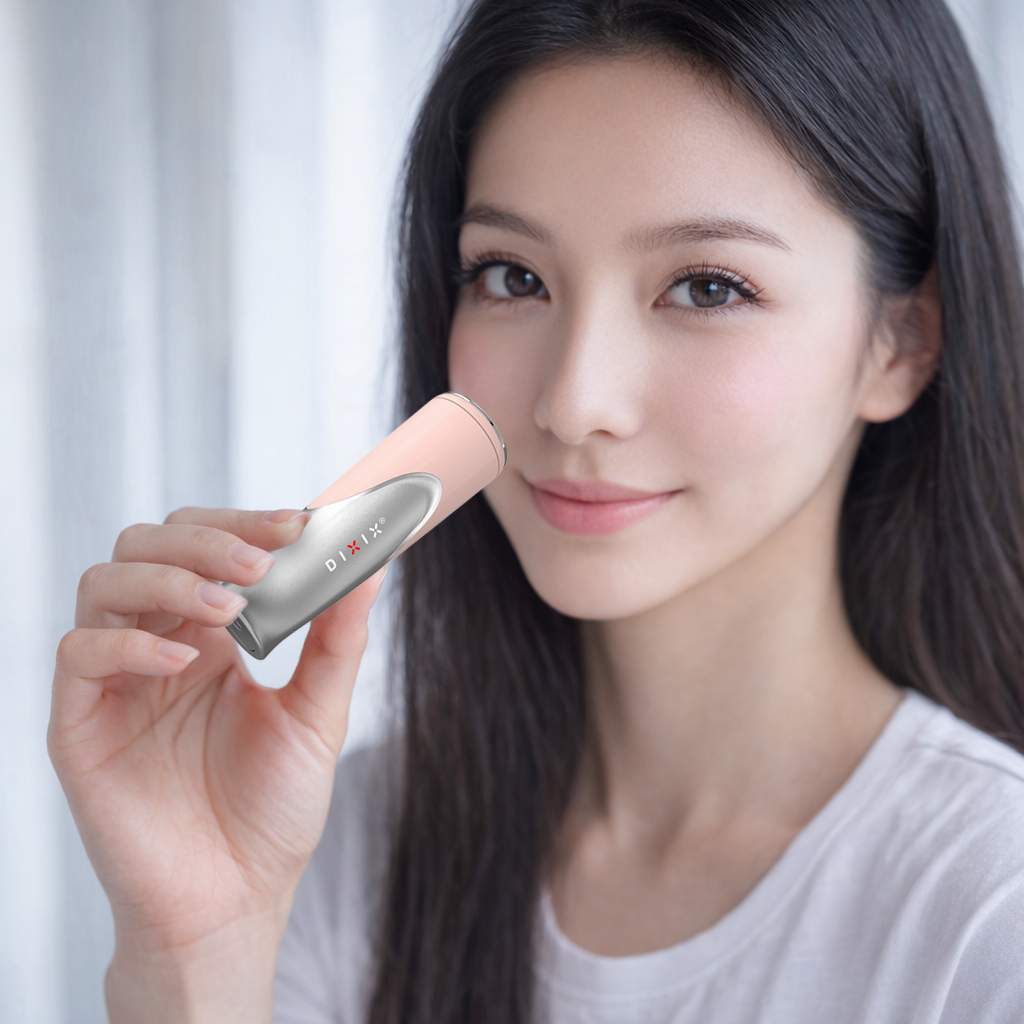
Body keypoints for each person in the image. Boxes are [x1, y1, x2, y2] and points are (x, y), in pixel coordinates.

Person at [49, 1, 1024, 1021]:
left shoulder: (986, 911)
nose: (571, 399)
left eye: (705, 287)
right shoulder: (335, 848)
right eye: (511, 276)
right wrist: (195, 951)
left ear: (902, 343)